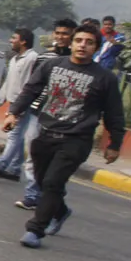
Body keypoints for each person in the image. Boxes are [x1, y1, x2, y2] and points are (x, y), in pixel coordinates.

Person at [5, 23, 124, 248]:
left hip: (76, 140)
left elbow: (114, 113)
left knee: (53, 182)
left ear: (96, 47)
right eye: (79, 40)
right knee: (43, 181)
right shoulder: (52, 65)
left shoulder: (105, 78)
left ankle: (35, 230)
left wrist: (114, 144)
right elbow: (31, 90)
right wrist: (14, 113)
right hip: (45, 134)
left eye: (89, 42)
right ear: (71, 43)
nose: (83, 45)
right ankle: (60, 211)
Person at [17, 18, 76, 210]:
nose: (61, 37)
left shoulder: (80, 62)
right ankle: (32, 195)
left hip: (64, 117)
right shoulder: (44, 57)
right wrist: (17, 110)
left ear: (73, 35)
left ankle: (50, 196)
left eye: (65, 33)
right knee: (33, 154)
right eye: (58, 33)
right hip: (38, 112)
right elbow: (33, 85)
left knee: (55, 160)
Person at [0, 28, 38, 181]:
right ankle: (14, 169)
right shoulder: (14, 60)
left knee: (14, 135)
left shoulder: (32, 58)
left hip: (22, 103)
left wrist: (21, 104)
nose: (11, 41)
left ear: (23, 41)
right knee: (17, 136)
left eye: (14, 38)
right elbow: (8, 83)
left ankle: (1, 166)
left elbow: (30, 84)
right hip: (14, 103)